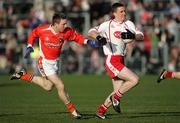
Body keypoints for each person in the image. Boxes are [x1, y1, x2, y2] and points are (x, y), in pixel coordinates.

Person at [10, 13, 106, 119]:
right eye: (63, 24)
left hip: (55, 62)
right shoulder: (43, 30)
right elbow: (33, 33)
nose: (66, 26)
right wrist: (29, 46)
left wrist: (89, 42)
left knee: (48, 86)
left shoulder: (66, 31)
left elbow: (77, 38)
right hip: (44, 62)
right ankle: (74, 111)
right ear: (55, 24)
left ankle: (23, 75)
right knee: (60, 85)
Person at [88, 2, 144, 119]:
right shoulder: (106, 25)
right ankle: (116, 98)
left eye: (124, 11)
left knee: (118, 90)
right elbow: (91, 31)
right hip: (111, 59)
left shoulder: (129, 24)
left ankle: (101, 111)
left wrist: (133, 36)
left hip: (121, 59)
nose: (124, 13)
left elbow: (141, 35)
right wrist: (98, 37)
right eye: (121, 11)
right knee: (135, 80)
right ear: (114, 13)